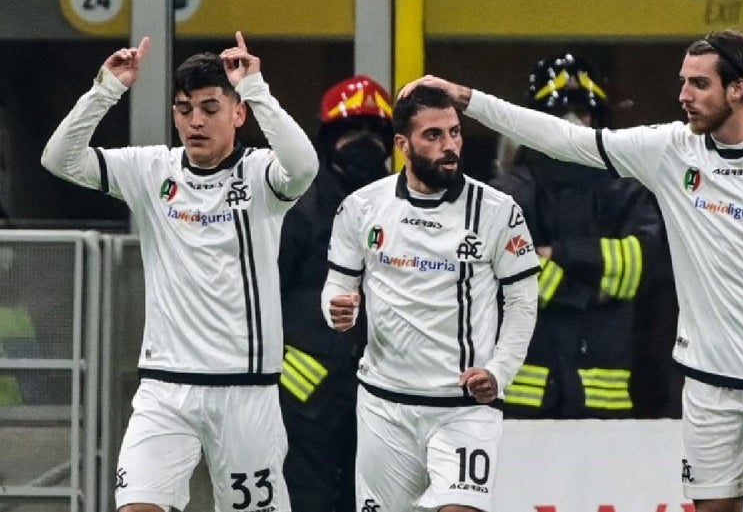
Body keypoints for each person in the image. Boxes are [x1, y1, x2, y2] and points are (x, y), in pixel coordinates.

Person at [400, 29, 743, 512]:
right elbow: (566, 139)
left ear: (738, 88)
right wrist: (468, 99)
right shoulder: (672, 149)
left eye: (699, 84)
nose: (684, 95)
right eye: (683, 82)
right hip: (707, 381)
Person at [42, 32, 318, 512]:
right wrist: (106, 89)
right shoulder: (152, 169)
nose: (196, 121)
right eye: (184, 109)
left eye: (210, 108)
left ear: (237, 114)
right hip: (164, 387)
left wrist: (255, 88)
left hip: (244, 390)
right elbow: (58, 158)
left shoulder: (260, 174)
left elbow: (304, 166)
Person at [321, 84, 540, 512]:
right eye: (433, 135)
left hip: (465, 406)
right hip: (384, 404)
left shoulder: (497, 210)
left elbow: (522, 302)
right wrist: (337, 310)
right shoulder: (361, 207)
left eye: (454, 132)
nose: (449, 146)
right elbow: (337, 285)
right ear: (403, 144)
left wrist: (500, 371)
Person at [489, 53, 668, 418]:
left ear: (598, 120)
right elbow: (510, 275)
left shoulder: (628, 191)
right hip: (525, 400)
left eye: (581, 113)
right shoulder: (506, 194)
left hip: (605, 399)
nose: (570, 124)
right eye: (558, 114)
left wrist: (562, 254)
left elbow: (641, 266)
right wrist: (594, 288)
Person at [278, 75, 393, 512]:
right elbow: (260, 299)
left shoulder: (401, 208)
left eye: (374, 133)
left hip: (381, 394)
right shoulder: (299, 209)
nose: (363, 143)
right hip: (304, 398)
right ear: (327, 141)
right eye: (350, 132)